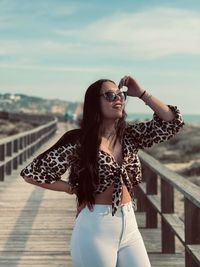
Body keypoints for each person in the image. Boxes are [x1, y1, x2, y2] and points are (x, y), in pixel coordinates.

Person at [20, 75, 184, 267]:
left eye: (119, 95)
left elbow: (172, 122)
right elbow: (32, 174)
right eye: (109, 95)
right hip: (95, 228)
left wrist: (141, 94)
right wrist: (72, 188)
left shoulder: (130, 136)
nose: (117, 99)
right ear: (94, 104)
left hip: (129, 224)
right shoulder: (79, 140)